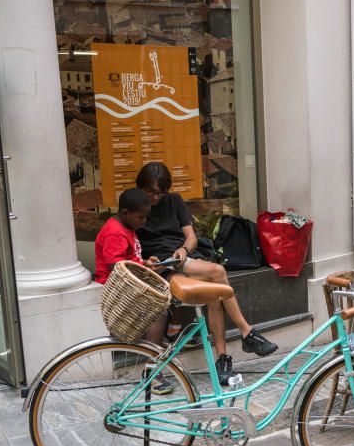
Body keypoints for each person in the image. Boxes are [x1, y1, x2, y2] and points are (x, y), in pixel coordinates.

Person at [135, 162, 278, 385]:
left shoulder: (173, 201)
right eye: (151, 192)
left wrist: (183, 249)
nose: (155, 197)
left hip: (180, 260)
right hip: (156, 267)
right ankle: (245, 334)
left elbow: (191, 238)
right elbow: (129, 245)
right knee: (218, 274)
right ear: (141, 186)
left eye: (160, 193)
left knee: (216, 288)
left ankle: (224, 358)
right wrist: (147, 263)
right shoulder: (136, 205)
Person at [94, 188, 174, 394]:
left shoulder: (126, 227)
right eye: (140, 217)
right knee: (159, 311)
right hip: (114, 286)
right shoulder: (115, 231)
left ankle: (153, 344)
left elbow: (129, 259)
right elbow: (118, 268)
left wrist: (146, 263)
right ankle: (152, 371)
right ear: (125, 213)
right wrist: (145, 268)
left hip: (128, 282)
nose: (144, 222)